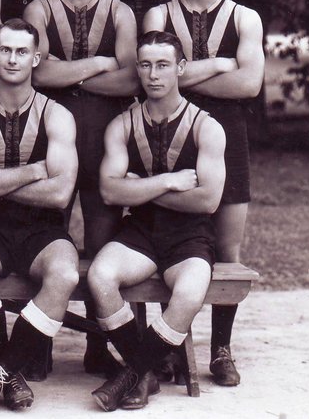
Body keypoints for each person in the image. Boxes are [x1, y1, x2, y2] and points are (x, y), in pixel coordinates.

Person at [143, 0, 264, 387]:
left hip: (228, 134)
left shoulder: (243, 18)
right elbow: (152, 80)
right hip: (169, 132)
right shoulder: (159, 13)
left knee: (227, 249)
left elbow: (248, 85)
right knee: (173, 243)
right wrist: (216, 65)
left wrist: (182, 76)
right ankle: (172, 351)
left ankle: (221, 350)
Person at [22, 0, 139, 378]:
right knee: (47, 235)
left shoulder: (121, 12)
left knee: (101, 239)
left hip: (106, 133)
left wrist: (68, 71)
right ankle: (38, 344)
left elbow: (130, 79)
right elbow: (39, 74)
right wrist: (96, 65)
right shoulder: (39, 9)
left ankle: (99, 343)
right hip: (50, 133)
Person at [88, 30, 226, 411]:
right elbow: (110, 192)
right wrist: (168, 182)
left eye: (163, 65)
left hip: (191, 235)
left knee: (189, 291)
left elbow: (208, 200)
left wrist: (140, 186)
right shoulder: (123, 125)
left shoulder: (207, 127)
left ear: (180, 68)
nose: (154, 74)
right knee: (100, 276)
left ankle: (131, 374)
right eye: (146, 65)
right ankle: (143, 373)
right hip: (142, 230)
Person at [0, 18, 79, 415]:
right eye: (5, 50)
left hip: (42, 228)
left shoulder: (57, 114)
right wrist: (32, 171)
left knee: (66, 274)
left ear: (36, 58)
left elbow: (60, 194)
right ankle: (13, 376)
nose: (12, 58)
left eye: (21, 51)